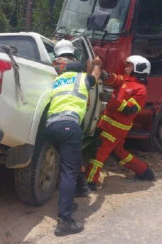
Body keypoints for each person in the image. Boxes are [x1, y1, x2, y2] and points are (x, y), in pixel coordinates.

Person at [46, 58, 101, 236]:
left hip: (51, 127)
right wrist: (97, 65)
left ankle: (73, 195)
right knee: (68, 171)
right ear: (80, 72)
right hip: (69, 125)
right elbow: (95, 75)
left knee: (70, 160)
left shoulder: (58, 81)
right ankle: (65, 221)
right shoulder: (82, 79)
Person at [85, 55, 156, 191]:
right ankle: (144, 171)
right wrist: (103, 73)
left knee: (99, 153)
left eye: (129, 65)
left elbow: (130, 109)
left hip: (115, 128)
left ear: (138, 69)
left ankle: (89, 182)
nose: (126, 67)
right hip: (108, 124)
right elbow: (114, 78)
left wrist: (111, 99)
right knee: (119, 153)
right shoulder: (126, 80)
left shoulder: (140, 90)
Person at [53, 39, 92, 197]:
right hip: (76, 109)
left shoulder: (54, 63)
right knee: (74, 150)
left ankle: (77, 185)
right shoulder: (77, 65)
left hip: (57, 109)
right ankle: (80, 186)